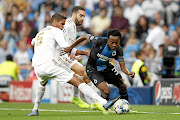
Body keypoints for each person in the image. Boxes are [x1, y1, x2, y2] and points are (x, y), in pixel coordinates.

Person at [28, 13, 117, 116]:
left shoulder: (41, 32)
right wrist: (81, 42)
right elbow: (66, 47)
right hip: (50, 64)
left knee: (42, 83)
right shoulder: (56, 31)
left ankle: (35, 109)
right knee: (79, 81)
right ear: (55, 22)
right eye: (61, 24)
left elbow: (33, 42)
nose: (62, 27)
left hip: (37, 66)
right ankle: (103, 102)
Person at [65, 29, 135, 101]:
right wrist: (71, 47)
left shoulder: (119, 50)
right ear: (108, 39)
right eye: (112, 42)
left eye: (116, 43)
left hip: (106, 68)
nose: (114, 45)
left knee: (123, 86)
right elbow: (85, 36)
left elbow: (123, 67)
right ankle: (105, 108)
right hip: (93, 69)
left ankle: (126, 105)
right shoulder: (99, 41)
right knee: (106, 91)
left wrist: (128, 72)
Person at [62, 6, 96, 109]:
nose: (82, 18)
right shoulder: (68, 26)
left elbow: (68, 47)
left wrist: (76, 54)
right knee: (82, 73)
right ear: (73, 14)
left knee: (83, 75)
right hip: (58, 58)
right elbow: (63, 46)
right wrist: (75, 55)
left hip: (64, 56)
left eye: (84, 16)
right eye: (81, 15)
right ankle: (94, 100)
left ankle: (90, 101)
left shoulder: (72, 25)